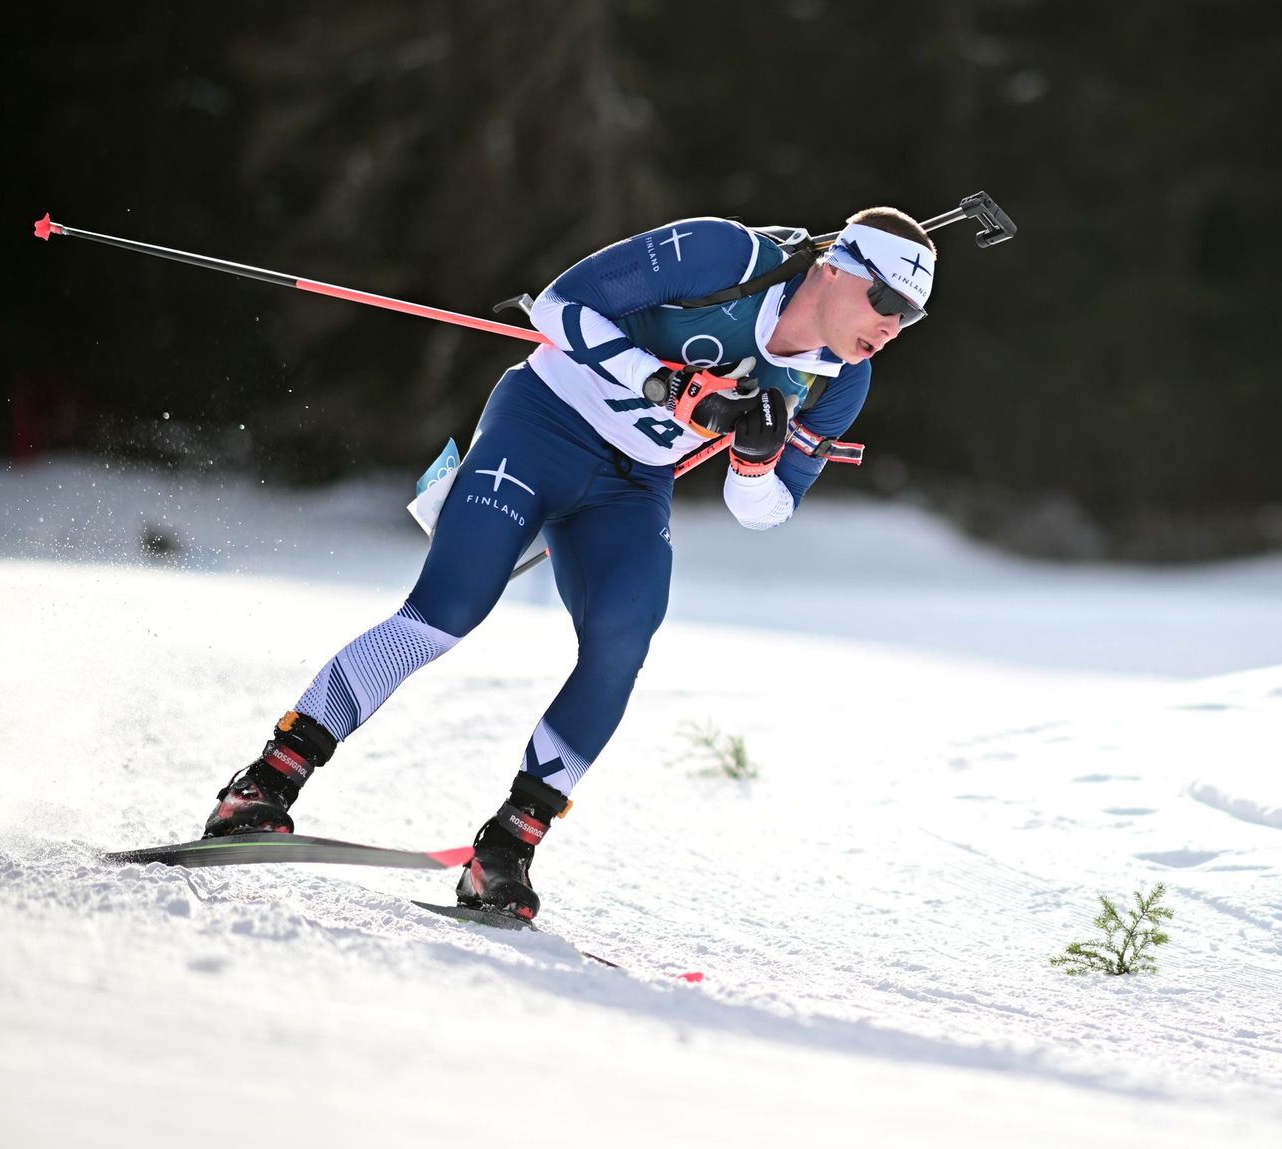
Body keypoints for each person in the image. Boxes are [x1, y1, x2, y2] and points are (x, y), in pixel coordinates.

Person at [201, 206, 938, 921]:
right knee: (447, 612)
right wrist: (667, 386)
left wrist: (752, 462)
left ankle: (506, 847)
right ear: (838, 266)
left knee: (623, 640)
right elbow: (559, 305)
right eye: (884, 299)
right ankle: (268, 780)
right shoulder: (728, 257)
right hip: (542, 425)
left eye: (908, 317)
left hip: (630, 485)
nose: (889, 325)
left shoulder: (838, 382)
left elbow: (766, 509)